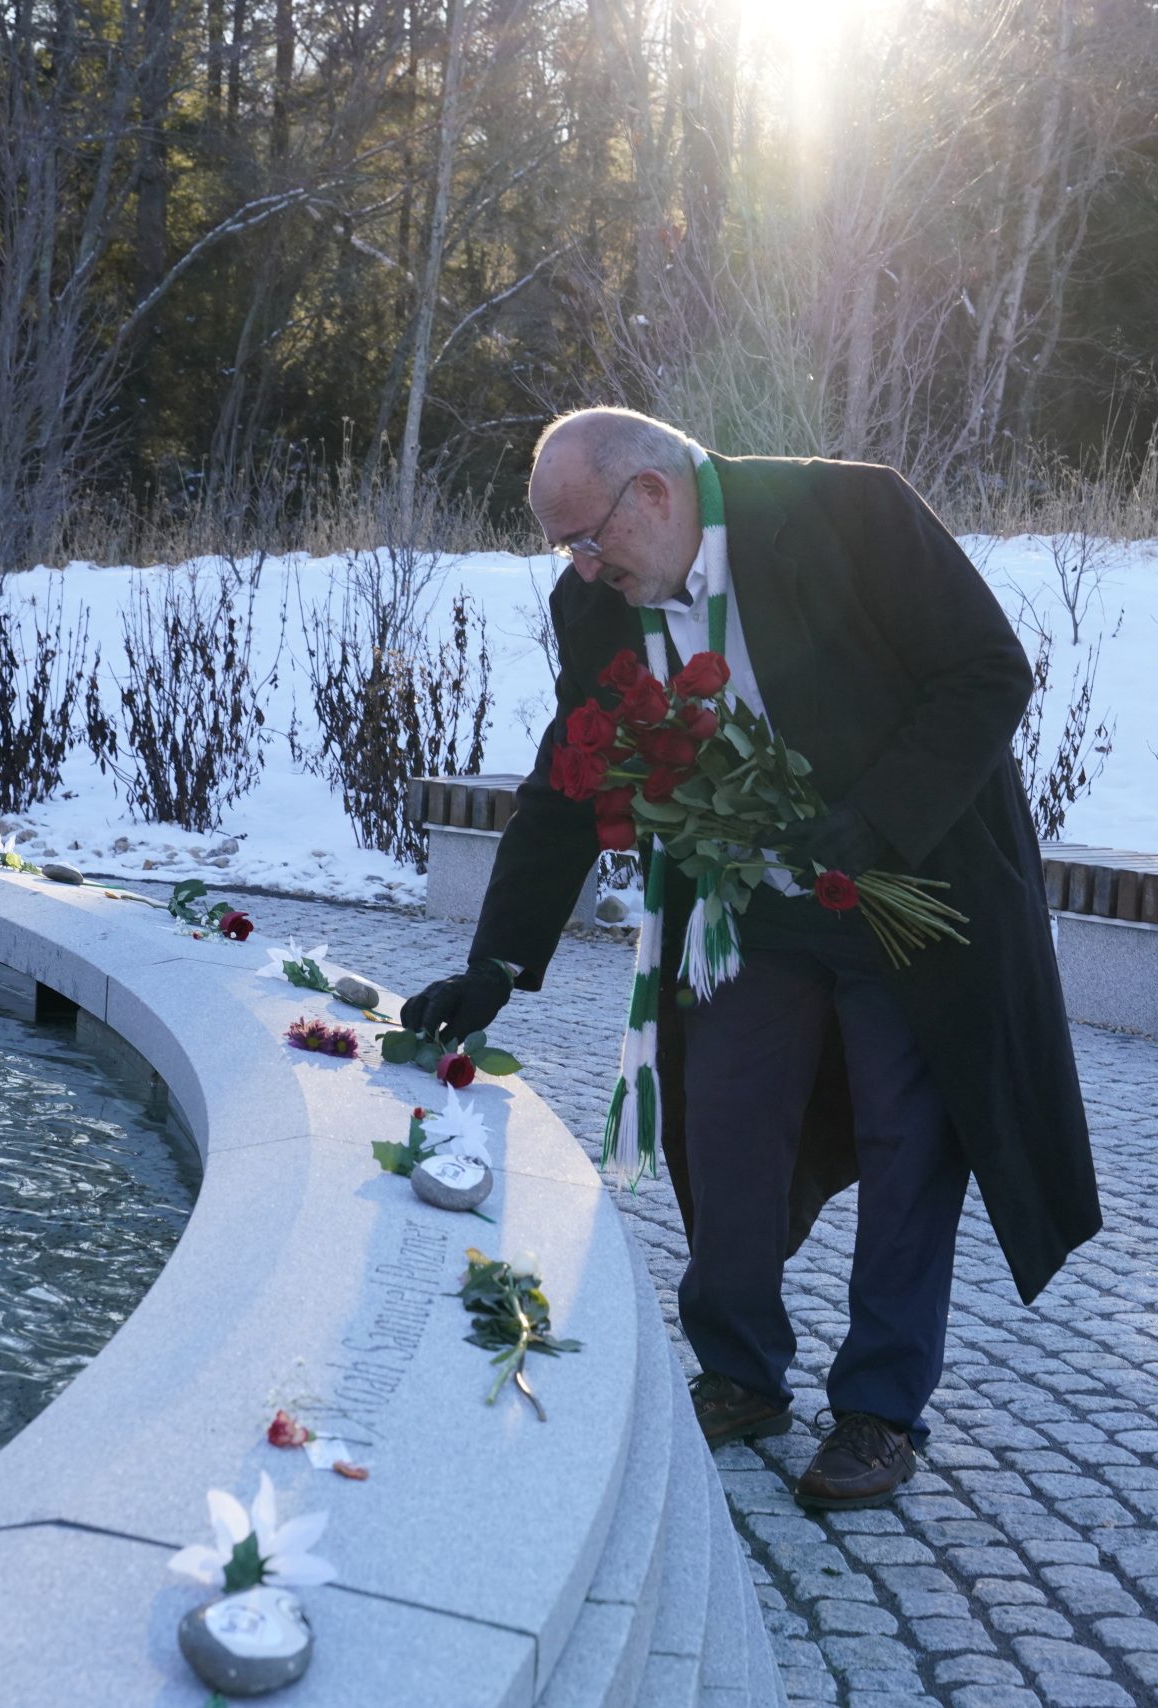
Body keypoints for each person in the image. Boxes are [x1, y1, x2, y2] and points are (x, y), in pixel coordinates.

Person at [404, 407, 1099, 1510]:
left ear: (656, 496)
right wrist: (497, 965)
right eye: (564, 549)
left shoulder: (847, 512)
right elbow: (571, 770)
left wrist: (873, 821)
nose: (582, 568)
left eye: (587, 537)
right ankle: (737, 1371)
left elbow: (985, 672)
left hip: (905, 888)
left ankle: (877, 1410)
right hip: (747, 904)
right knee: (720, 1120)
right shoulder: (598, 602)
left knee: (906, 1133)